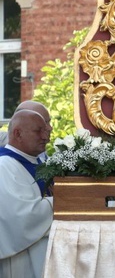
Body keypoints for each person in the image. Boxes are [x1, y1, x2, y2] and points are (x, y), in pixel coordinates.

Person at [0, 106, 54, 277]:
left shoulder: (37, 161)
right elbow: (21, 217)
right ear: (17, 134)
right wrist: (62, 199)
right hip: (23, 257)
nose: (45, 137)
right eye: (39, 131)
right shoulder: (5, 167)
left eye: (45, 130)